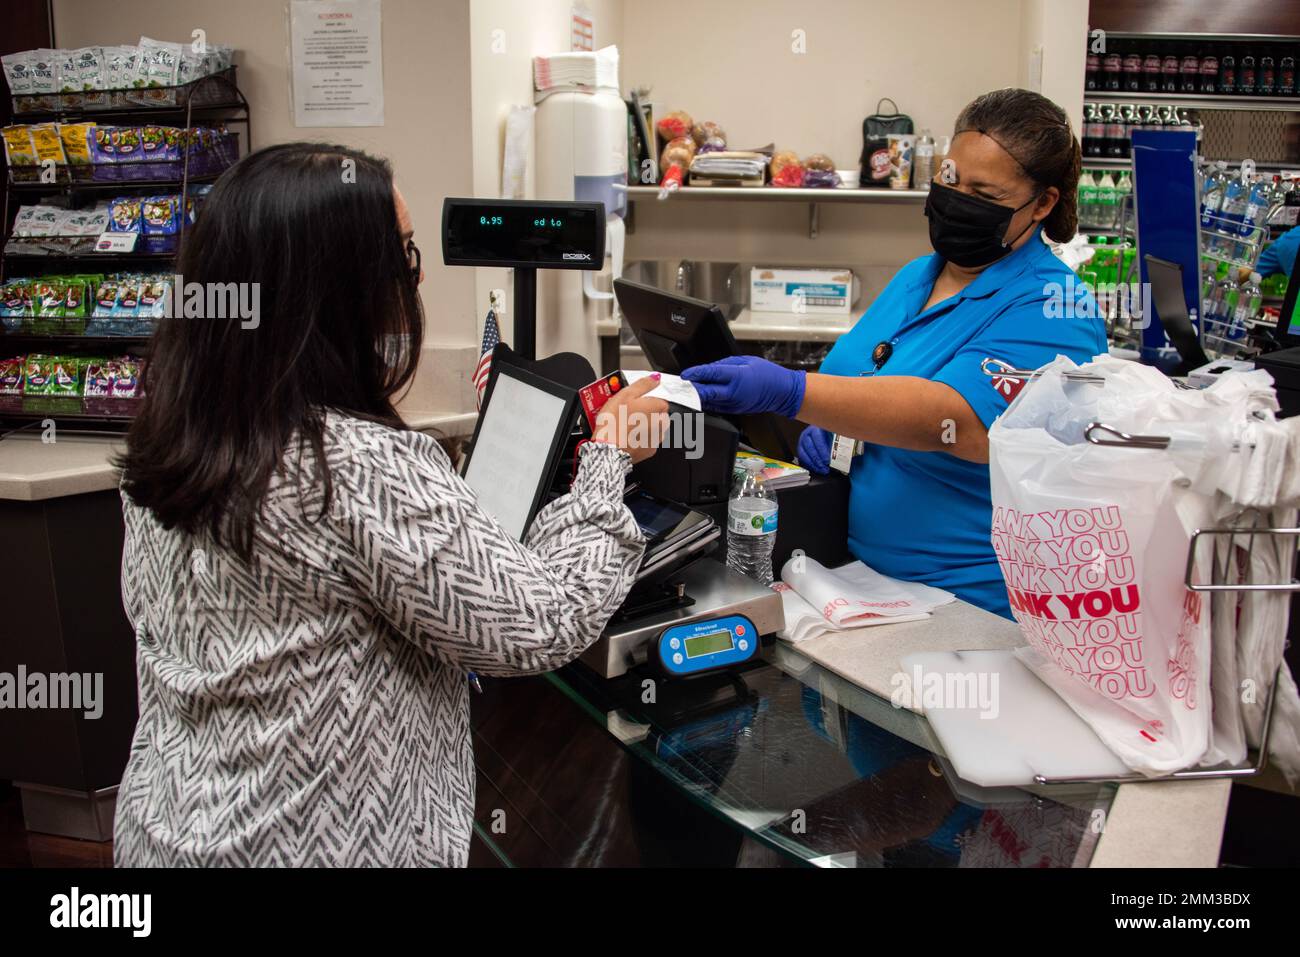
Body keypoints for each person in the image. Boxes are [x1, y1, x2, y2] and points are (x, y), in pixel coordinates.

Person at [112, 142, 668, 867]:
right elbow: (541, 619)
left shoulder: (168, 438)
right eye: (405, 256)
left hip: (168, 833)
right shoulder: (354, 466)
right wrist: (609, 459)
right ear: (336, 289)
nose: (420, 274)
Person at [682, 89, 1106, 619]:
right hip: (856, 580)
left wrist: (794, 391)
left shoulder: (1054, 309)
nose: (957, 197)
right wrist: (836, 430)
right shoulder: (917, 275)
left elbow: (955, 422)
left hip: (971, 604)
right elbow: (866, 380)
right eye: (951, 178)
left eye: (984, 191)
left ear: (1042, 204)